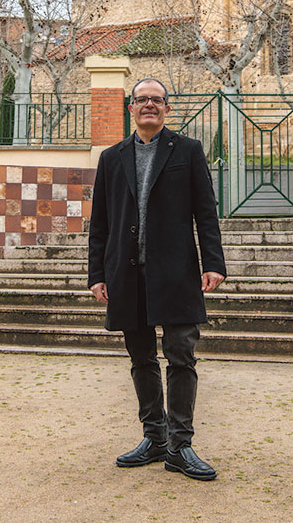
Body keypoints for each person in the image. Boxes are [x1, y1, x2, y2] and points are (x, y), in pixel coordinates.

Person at [88, 77, 226, 481]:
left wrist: (213, 262)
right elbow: (101, 223)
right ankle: (155, 437)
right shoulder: (112, 158)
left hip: (177, 272)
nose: (149, 105)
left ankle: (181, 446)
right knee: (141, 358)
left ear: (167, 108)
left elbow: (206, 211)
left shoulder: (188, 150)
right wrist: (97, 273)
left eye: (157, 100)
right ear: (130, 108)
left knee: (181, 354)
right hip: (126, 274)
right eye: (141, 99)